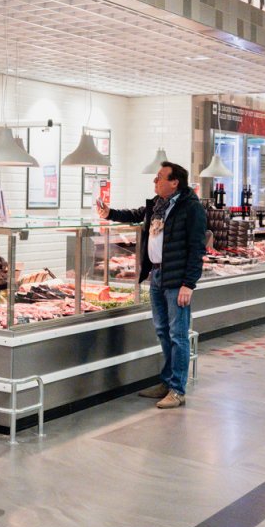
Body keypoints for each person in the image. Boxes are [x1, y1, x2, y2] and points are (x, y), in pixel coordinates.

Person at [97, 162, 207, 409]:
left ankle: (177, 390)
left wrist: (188, 284)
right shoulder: (158, 204)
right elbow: (135, 214)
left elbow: (197, 248)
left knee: (178, 335)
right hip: (156, 276)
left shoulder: (191, 208)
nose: (154, 181)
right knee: (162, 331)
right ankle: (167, 382)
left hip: (177, 280)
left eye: (159, 177)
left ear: (174, 182)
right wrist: (109, 213)